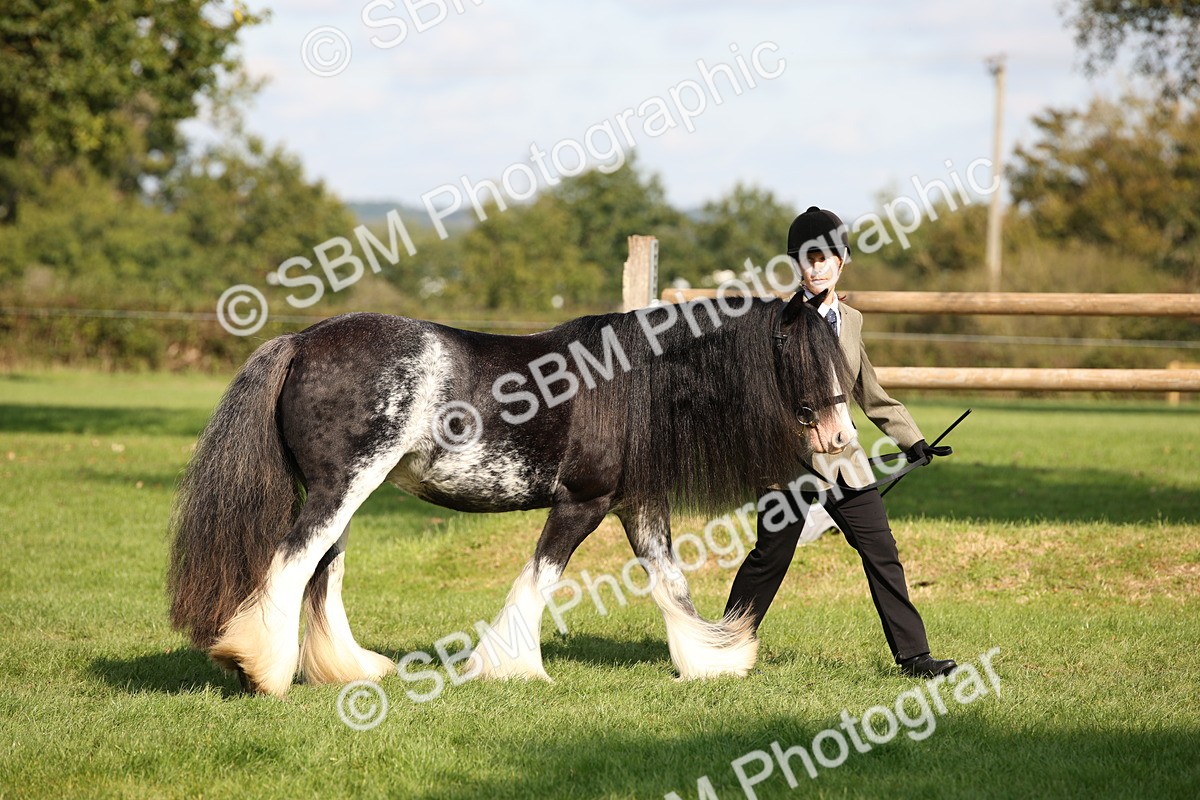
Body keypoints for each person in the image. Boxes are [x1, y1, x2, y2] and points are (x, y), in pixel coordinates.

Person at [724, 206, 958, 679]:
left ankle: (915, 658)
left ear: (842, 260)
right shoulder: (776, 322)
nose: (814, 268)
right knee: (771, 558)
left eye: (823, 258)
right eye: (806, 259)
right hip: (785, 460)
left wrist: (912, 440)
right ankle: (722, 648)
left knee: (881, 551)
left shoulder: (850, 321)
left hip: (845, 460)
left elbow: (868, 389)